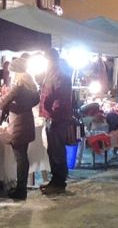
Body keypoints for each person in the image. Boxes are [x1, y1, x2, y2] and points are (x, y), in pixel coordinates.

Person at [0, 69, 40, 200]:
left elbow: (0, 104)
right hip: (27, 123)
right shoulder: (33, 90)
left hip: (17, 125)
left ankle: (21, 190)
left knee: (20, 158)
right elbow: (34, 101)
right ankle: (21, 187)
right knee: (23, 157)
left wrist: (11, 106)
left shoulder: (18, 88)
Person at [39, 52, 73, 195]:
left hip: (57, 118)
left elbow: (59, 97)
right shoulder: (52, 73)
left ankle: (59, 182)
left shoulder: (60, 74)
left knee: (57, 150)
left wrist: (52, 113)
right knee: (52, 150)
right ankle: (55, 180)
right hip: (51, 117)